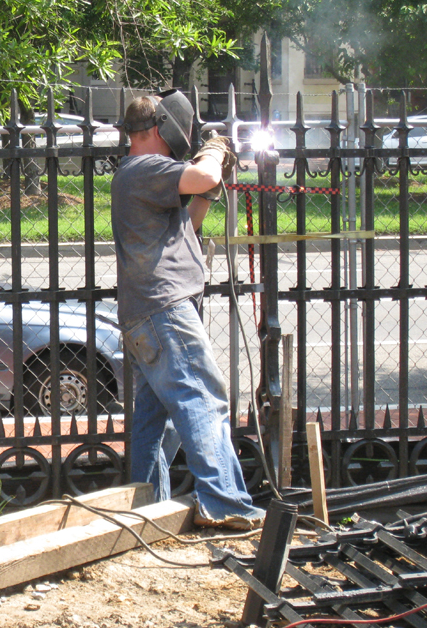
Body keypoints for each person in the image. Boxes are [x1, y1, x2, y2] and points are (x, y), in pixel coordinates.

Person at [111, 90, 265, 531]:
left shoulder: (142, 177)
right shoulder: (145, 168)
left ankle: (146, 511)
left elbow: (188, 223)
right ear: (160, 129)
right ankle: (226, 501)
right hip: (165, 311)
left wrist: (210, 188)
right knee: (204, 398)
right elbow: (199, 176)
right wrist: (214, 152)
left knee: (154, 423)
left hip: (149, 313)